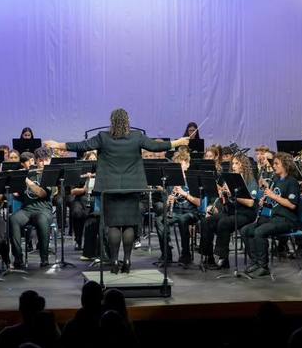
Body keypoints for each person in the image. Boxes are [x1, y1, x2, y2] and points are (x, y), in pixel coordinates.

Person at [44, 108, 189, 274]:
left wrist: (58, 144)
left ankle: (114, 260)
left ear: (112, 121)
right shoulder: (136, 137)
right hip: (132, 187)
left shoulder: (103, 137)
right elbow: (155, 146)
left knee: (113, 225)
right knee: (128, 224)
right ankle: (127, 259)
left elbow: (82, 146)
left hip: (109, 188)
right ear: (127, 121)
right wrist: (178, 142)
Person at [241, 153, 301, 277]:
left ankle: (264, 266)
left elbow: (292, 205)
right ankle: (256, 261)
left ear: (286, 165)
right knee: (246, 230)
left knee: (260, 232)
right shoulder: (276, 179)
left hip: (287, 219)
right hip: (274, 217)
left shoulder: (292, 182)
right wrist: (266, 200)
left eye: (276, 163)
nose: (274, 166)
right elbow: (274, 202)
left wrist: (273, 196)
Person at [155, 148, 200, 265]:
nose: (179, 167)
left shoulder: (193, 180)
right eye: (177, 165)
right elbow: (166, 204)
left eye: (181, 164)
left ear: (187, 164)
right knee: (160, 220)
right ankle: (166, 253)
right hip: (175, 211)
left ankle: (186, 255)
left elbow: (199, 203)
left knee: (183, 219)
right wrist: (170, 200)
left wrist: (184, 193)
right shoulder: (172, 180)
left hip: (191, 212)